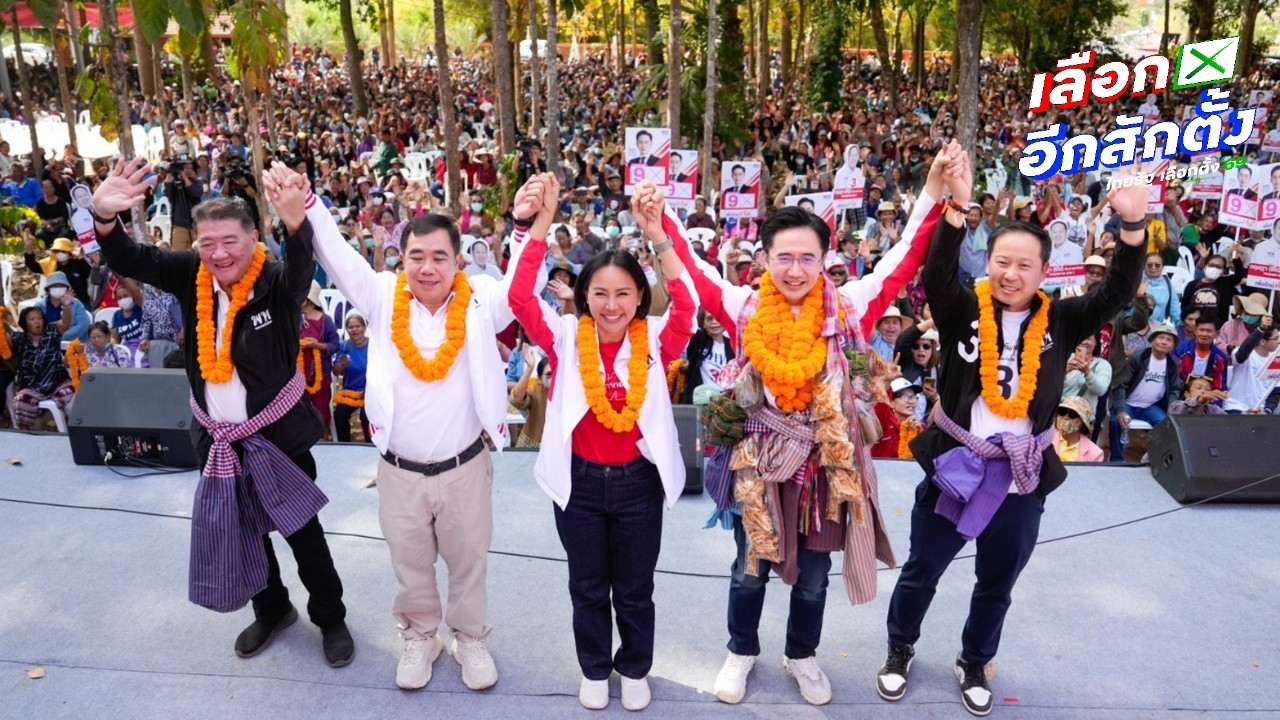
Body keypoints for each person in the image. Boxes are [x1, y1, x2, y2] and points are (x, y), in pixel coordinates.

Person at [678, 141, 962, 708]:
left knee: (812, 575)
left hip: (823, 468)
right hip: (756, 464)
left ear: (825, 261)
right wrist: (660, 222)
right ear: (763, 260)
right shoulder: (743, 307)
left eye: (808, 258)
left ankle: (802, 655)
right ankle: (741, 651)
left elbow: (904, 257)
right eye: (784, 257)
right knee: (749, 567)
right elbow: (691, 271)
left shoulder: (850, 305)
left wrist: (934, 188)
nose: (795, 269)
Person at [877, 157, 1147, 717]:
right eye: (1002, 262)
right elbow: (935, 274)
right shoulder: (959, 312)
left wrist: (1133, 227)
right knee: (921, 571)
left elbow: (1117, 293)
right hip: (957, 467)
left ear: (1044, 273)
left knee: (996, 582)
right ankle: (900, 648)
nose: (1011, 274)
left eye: (1025, 265)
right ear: (989, 264)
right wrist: (956, 203)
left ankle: (974, 660)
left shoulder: (1064, 320)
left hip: (1021, 479)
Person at [92, 158, 354, 668]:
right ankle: (272, 610)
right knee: (245, 530)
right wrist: (104, 217)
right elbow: (129, 256)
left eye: (230, 241)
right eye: (207, 243)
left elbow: (303, 268)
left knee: (304, 536)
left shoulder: (275, 282)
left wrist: (297, 223)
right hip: (218, 440)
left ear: (254, 238)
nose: (218, 253)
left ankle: (331, 617)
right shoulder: (189, 272)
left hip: (279, 439)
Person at [267, 162, 517, 694]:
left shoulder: (482, 303)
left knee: (468, 562)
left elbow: (523, 284)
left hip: (465, 468)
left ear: (458, 262)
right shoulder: (382, 297)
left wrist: (530, 227)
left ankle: (469, 637)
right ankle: (420, 635)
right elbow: (336, 255)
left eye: (439, 257)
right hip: (399, 470)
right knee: (411, 564)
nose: (427, 268)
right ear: (403, 259)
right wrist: (307, 204)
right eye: (417, 256)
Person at [509, 177, 695, 711]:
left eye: (624, 294)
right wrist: (540, 226)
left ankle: (634, 667)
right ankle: (594, 668)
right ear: (583, 297)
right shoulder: (565, 337)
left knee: (635, 590)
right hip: (581, 484)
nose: (612, 306)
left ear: (640, 298)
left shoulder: (658, 338)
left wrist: (658, 233)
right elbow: (520, 296)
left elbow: (687, 303)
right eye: (600, 293)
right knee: (587, 586)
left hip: (638, 486)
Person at [1112, 322, 1183, 459]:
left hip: (1150, 406)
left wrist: (1170, 409)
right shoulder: (1138, 358)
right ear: (1152, 340)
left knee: (1166, 425)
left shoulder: (1174, 363)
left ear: (1173, 346)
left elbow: (1175, 388)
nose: (1164, 342)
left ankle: (1155, 459)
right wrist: (1121, 410)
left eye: (1169, 340)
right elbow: (1120, 384)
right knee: (1116, 421)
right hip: (1129, 403)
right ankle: (1117, 460)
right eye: (1161, 337)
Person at [10, 306, 75, 430]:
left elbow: (66, 324)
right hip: (32, 386)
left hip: (58, 382)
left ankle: (74, 431)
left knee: (74, 400)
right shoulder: (19, 339)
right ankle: (26, 435)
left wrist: (66, 306)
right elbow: (5, 335)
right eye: (32, 319)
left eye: (39, 318)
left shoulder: (52, 331)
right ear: (25, 322)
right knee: (20, 401)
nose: (37, 321)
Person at [299, 280, 340, 431]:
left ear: (309, 300)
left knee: (321, 410)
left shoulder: (325, 321)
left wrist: (316, 345)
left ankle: (322, 440)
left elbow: (335, 345)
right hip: (297, 374)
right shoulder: (292, 317)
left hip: (320, 374)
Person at [1224, 315, 1278, 414]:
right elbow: (1242, 353)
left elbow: (1275, 393)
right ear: (1262, 341)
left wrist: (1266, 411)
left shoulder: (1276, 360)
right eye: (1275, 338)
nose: (1278, 342)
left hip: (1260, 411)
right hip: (1236, 408)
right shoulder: (1242, 353)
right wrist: (1261, 329)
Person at [681, 310, 736, 403]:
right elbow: (686, 322)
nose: (714, 322)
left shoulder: (733, 345)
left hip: (725, 404)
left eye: (718, 318)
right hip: (701, 401)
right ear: (703, 324)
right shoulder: (698, 340)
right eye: (709, 319)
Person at [332, 313, 371, 443]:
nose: (354, 329)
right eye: (350, 327)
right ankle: (345, 447)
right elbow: (336, 372)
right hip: (350, 392)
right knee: (340, 415)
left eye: (358, 326)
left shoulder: (373, 347)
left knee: (367, 416)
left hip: (370, 392)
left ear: (364, 328)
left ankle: (371, 448)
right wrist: (342, 365)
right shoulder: (345, 346)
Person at [25, 236, 93, 307]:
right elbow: (32, 265)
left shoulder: (78, 263)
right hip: (56, 302)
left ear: (69, 252)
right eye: (57, 251)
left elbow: (91, 274)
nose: (60, 253)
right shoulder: (49, 263)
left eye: (63, 251)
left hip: (80, 301)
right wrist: (29, 247)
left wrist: (80, 257)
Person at [870, 378, 925, 459]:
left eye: (913, 397)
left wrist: (921, 434)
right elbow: (880, 406)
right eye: (905, 397)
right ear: (891, 403)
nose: (911, 401)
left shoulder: (920, 427)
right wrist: (887, 381)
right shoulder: (884, 422)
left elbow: (931, 456)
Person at [508, 344, 551, 448]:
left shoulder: (566, 393)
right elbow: (516, 400)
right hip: (531, 447)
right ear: (539, 380)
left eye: (556, 373)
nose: (553, 378)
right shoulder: (536, 390)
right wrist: (529, 369)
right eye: (549, 375)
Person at [1174, 317, 1229, 391]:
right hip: (1181, 394)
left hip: (1207, 397)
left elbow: (1219, 387)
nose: (1204, 334)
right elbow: (1173, 380)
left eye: (1209, 331)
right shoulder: (1180, 350)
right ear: (1195, 331)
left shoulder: (1220, 358)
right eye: (1201, 330)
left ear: (1217, 334)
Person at [37, 272, 91, 343]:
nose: (58, 288)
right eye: (55, 286)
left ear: (67, 289)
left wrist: (61, 338)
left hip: (74, 345)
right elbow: (35, 326)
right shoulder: (39, 305)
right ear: (48, 289)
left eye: (61, 286)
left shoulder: (76, 304)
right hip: (46, 344)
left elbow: (82, 325)